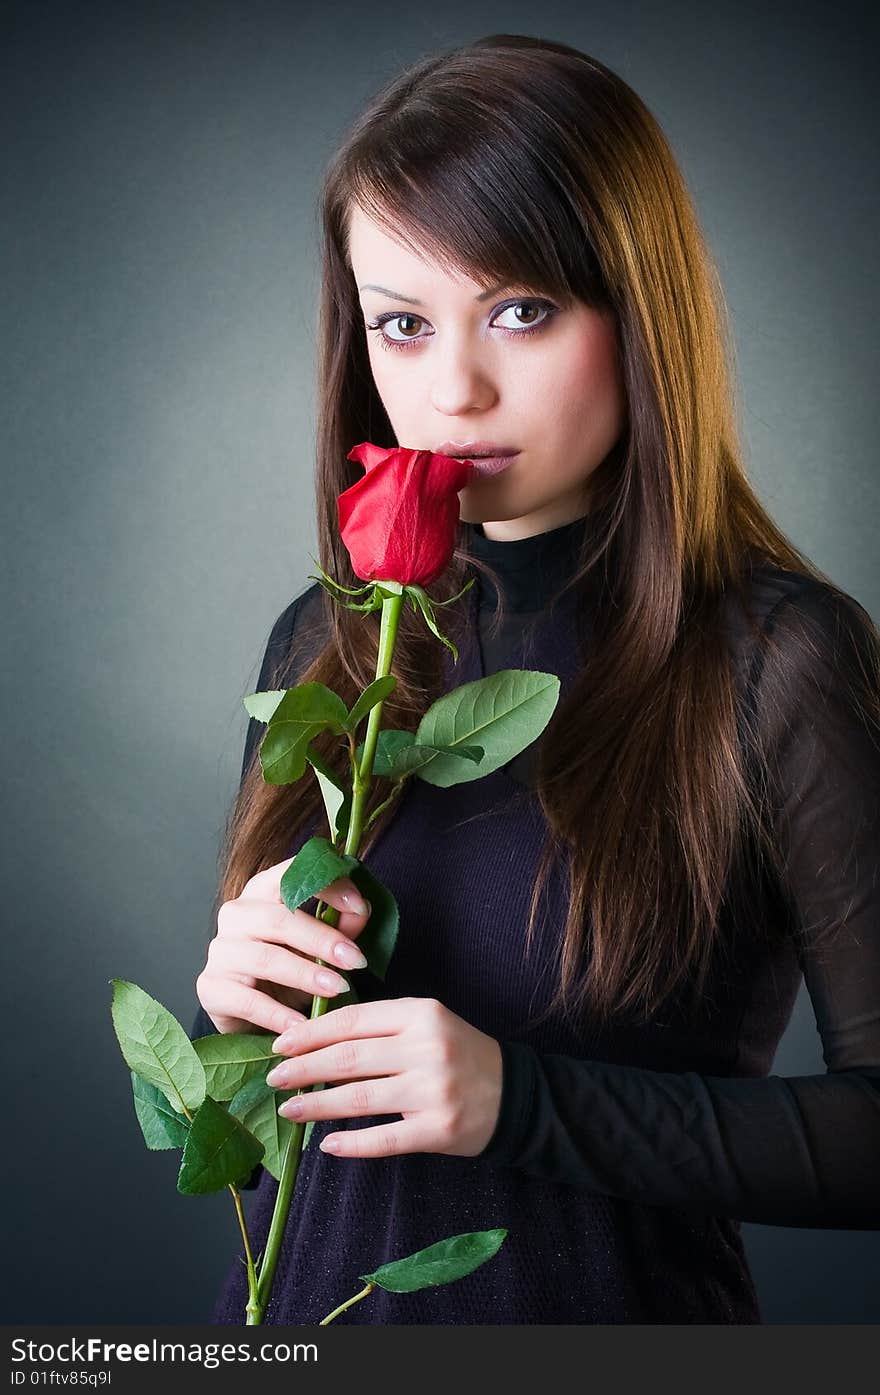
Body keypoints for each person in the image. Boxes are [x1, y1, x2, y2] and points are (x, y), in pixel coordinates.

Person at [191, 34, 880, 1324]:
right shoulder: (325, 649)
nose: (451, 390)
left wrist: (523, 1100)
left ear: (638, 303)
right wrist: (244, 1004)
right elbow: (294, 1105)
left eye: (521, 310)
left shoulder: (781, 663)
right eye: (401, 324)